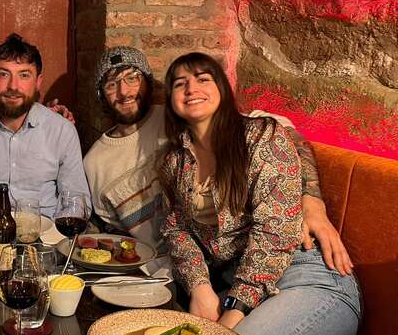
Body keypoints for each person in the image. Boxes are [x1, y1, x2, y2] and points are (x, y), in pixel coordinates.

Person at [156, 52, 360, 335]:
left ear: (222, 87)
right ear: (171, 101)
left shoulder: (263, 136)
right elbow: (176, 230)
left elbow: (274, 236)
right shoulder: (174, 162)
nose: (191, 88)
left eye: (203, 78)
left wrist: (233, 310)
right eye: (180, 83)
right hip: (240, 285)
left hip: (307, 277)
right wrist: (200, 286)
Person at [83, 45, 354, 276]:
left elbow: (280, 134)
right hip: (176, 272)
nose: (124, 91)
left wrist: (312, 202)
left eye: (132, 78)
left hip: (250, 258)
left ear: (148, 82)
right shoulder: (94, 162)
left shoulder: (181, 115)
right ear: (101, 97)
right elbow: (116, 237)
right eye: (111, 84)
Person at [0, 33, 91, 217]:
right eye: (4, 74)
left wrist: (57, 239)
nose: (13, 86)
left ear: (38, 82)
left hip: (48, 234)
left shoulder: (62, 130)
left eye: (24, 75)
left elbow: (76, 202)